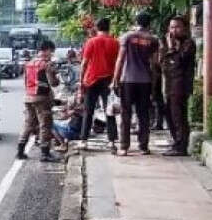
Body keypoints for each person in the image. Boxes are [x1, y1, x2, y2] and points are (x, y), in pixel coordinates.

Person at [112, 10, 160, 155]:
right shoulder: (153, 40)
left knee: (125, 113)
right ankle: (143, 146)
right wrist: (154, 82)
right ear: (149, 23)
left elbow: (120, 59)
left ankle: (124, 147)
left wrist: (115, 79)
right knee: (143, 114)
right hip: (145, 81)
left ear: (136, 21)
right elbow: (154, 63)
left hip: (127, 80)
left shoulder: (127, 37)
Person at [79, 18, 120, 149]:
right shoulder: (115, 43)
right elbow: (118, 63)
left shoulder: (91, 42)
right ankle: (112, 141)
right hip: (109, 80)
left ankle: (84, 140)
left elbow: (84, 64)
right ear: (109, 27)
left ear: (96, 28)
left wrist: (81, 82)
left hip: (91, 79)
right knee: (109, 110)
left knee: (88, 111)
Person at [161, 15, 197, 156]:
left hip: (181, 84)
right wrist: (168, 49)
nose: (173, 30)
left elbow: (178, 61)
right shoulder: (167, 43)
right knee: (169, 113)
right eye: (171, 27)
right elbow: (163, 61)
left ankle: (181, 145)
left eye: (177, 27)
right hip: (169, 84)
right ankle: (176, 141)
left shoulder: (188, 44)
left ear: (184, 28)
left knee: (178, 115)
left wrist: (172, 48)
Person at [18, 41, 60, 161]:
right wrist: (56, 77)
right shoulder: (46, 64)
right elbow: (53, 83)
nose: (52, 54)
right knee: (45, 125)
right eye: (51, 51)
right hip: (41, 98)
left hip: (28, 97)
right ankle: (45, 153)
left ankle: (20, 151)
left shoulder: (29, 63)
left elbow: (25, 82)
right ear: (46, 50)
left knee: (29, 124)